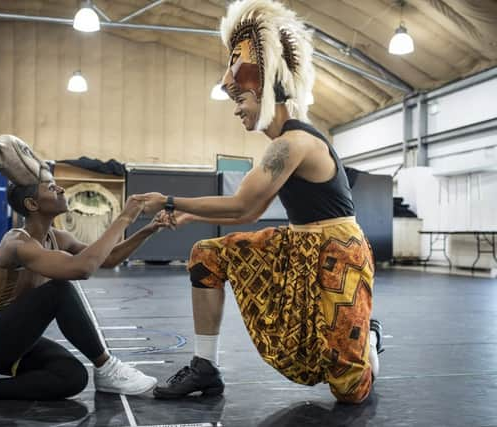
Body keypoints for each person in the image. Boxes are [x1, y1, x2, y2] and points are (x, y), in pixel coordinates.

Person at [137, 0, 383, 404]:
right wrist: (185, 213)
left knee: (351, 393)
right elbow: (244, 207)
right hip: (299, 244)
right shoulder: (281, 146)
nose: (237, 110)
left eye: (241, 99)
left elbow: (243, 209)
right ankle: (205, 366)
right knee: (207, 255)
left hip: (340, 254)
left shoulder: (295, 143)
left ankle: (368, 336)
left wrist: (168, 199)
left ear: (266, 90)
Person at [0, 135, 167, 406]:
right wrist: (124, 217)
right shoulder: (17, 243)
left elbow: (107, 259)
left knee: (73, 377)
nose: (61, 190)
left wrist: (148, 229)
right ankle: (107, 368)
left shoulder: (57, 237)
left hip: (14, 338)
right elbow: (83, 268)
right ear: (32, 205)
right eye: (52, 188)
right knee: (59, 290)